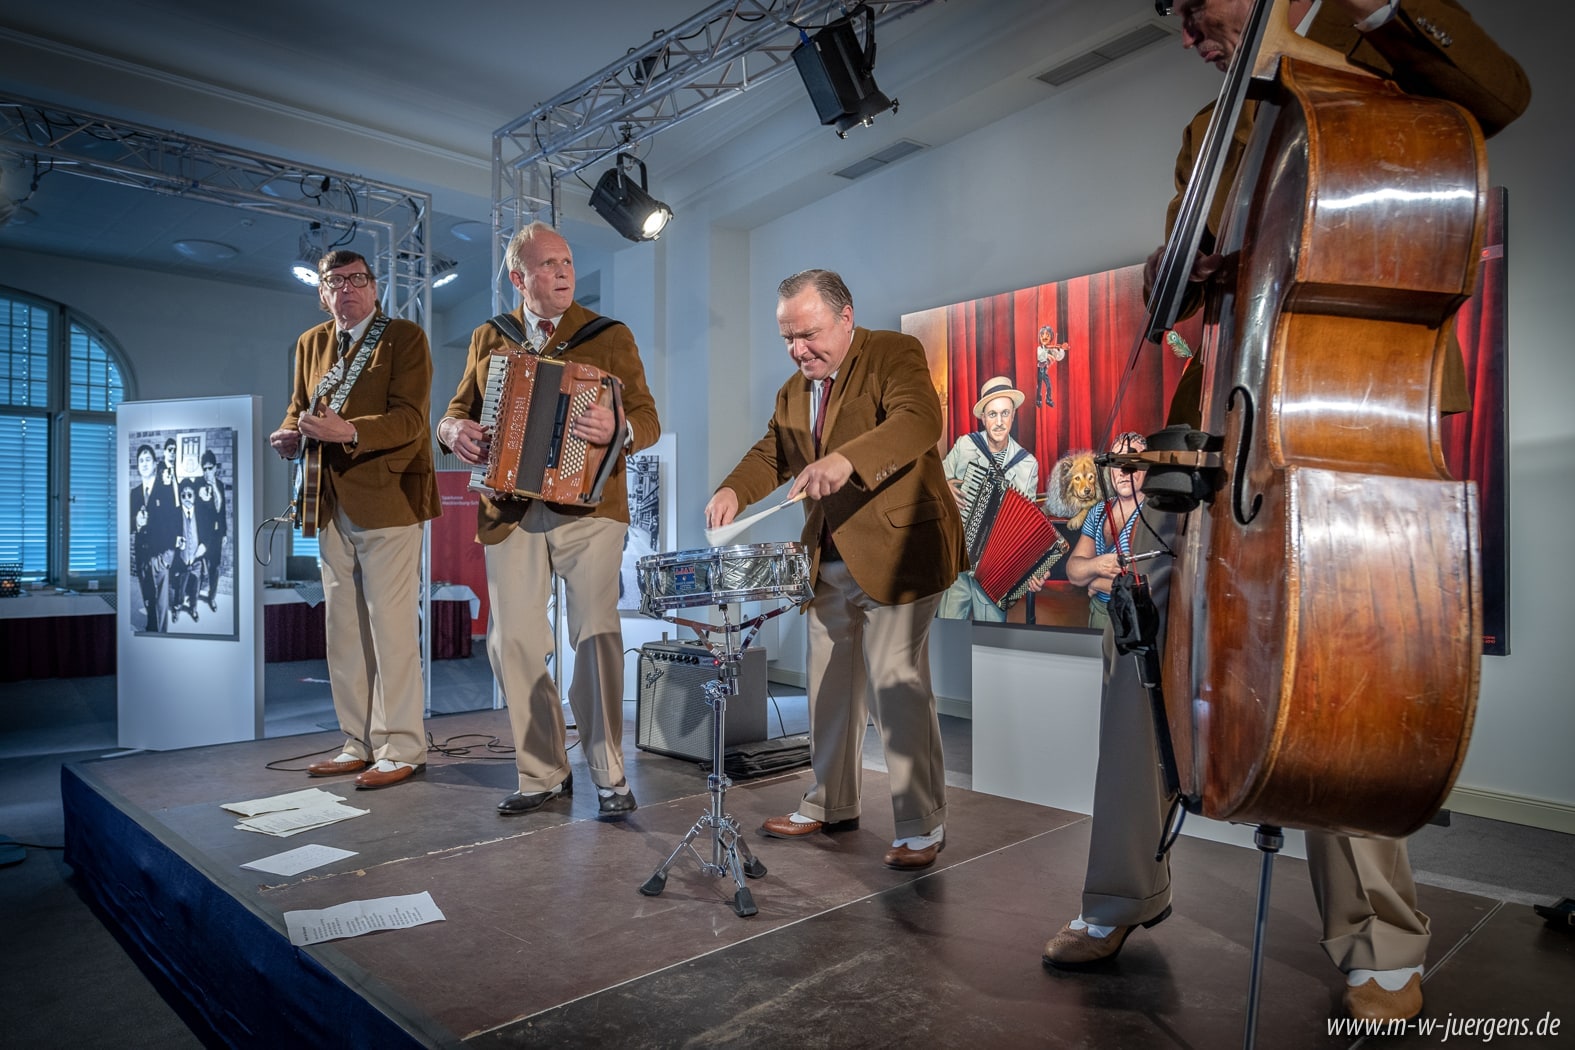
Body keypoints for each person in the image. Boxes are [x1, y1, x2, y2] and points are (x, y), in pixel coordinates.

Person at [1042, 0, 1530, 1024]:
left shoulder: (1379, 51)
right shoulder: (1206, 126)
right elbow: (1181, 291)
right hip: (1223, 428)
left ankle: (1380, 941)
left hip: (1343, 416)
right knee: (1139, 652)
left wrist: (1343, 27)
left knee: (1342, 675)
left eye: (1193, 6)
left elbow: (1501, 98)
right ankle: (1121, 893)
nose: (1187, 33)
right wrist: (1173, 271)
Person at [705, 269, 966, 870]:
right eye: (788, 339)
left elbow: (920, 421)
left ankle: (921, 824)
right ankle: (830, 801)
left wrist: (848, 459)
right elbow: (771, 451)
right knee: (827, 687)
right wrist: (732, 490)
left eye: (810, 334)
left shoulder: (893, 354)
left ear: (846, 317)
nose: (799, 350)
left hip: (901, 554)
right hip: (828, 559)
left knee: (898, 684)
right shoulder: (793, 392)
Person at [439, 222, 660, 819]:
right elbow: (456, 411)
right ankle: (541, 773)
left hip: (589, 509)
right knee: (512, 643)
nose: (563, 272)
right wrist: (453, 430)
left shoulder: (607, 335)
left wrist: (620, 427)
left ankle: (609, 773)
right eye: (548, 265)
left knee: (595, 638)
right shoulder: (491, 337)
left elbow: (646, 415)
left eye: (566, 261)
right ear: (519, 277)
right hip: (510, 508)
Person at [268, 250, 439, 790]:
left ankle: (403, 745)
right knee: (342, 629)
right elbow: (300, 406)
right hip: (324, 497)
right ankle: (357, 741)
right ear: (322, 292)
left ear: (373, 287)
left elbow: (411, 420)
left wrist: (351, 431)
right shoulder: (310, 343)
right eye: (334, 282)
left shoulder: (404, 337)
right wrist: (289, 433)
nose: (346, 289)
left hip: (388, 498)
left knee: (389, 627)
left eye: (357, 280)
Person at [937, 376, 1040, 622]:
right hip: (957, 563)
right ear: (983, 418)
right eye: (992, 414)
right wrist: (945, 485)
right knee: (949, 628)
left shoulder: (1027, 464)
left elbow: (1030, 523)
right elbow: (932, 479)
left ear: (1013, 415)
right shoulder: (965, 446)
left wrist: (1030, 565)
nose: (999, 422)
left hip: (994, 569)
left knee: (991, 634)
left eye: (1005, 413)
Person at [1063, 432, 1147, 632]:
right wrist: (1099, 566)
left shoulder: (1153, 514)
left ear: (1147, 467)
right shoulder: (1098, 511)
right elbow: (1073, 571)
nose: (1123, 471)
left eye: (1132, 460)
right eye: (1116, 461)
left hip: (1134, 621)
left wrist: (1096, 583)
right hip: (1098, 615)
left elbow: (1148, 589)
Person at [130, 443, 179, 632]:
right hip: (142, 556)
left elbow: (175, 521)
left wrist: (169, 555)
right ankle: (152, 632)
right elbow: (128, 523)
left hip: (161, 555)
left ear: (155, 463)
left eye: (147, 459)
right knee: (148, 599)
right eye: (140, 460)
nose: (144, 463)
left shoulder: (165, 491)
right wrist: (137, 522)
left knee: (161, 604)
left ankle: (162, 639)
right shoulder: (134, 494)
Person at [194, 450, 227, 612]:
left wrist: (225, 533)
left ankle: (211, 597)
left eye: (209, 468)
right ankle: (194, 596)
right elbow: (200, 511)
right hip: (203, 534)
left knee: (215, 567)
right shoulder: (198, 484)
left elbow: (222, 512)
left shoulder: (220, 485)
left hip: (217, 534)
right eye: (204, 468)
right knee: (200, 567)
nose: (207, 472)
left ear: (215, 468)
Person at [170, 481, 206, 623]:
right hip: (182, 558)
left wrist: (204, 545)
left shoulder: (201, 514)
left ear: (195, 496)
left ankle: (193, 607)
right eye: (183, 495)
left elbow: (208, 533)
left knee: (196, 585)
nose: (186, 497)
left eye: (189, 494)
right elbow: (169, 533)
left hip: (197, 558)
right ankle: (177, 607)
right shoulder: (175, 514)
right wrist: (175, 540)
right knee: (180, 586)